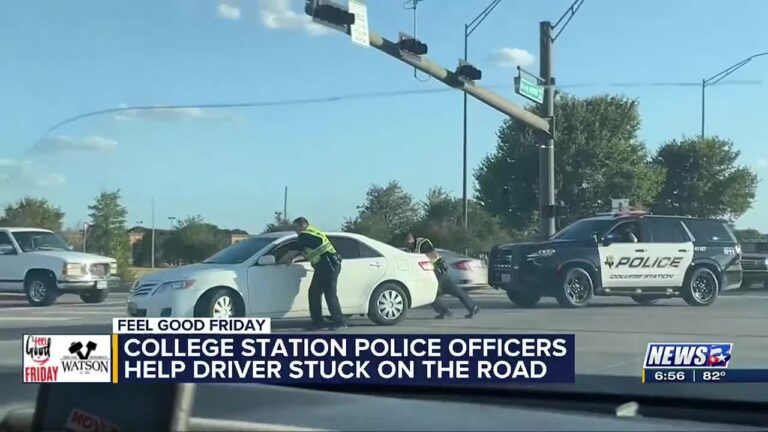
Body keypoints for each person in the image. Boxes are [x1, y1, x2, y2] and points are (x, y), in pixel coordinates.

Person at [280, 217, 346, 331]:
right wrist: (294, 258)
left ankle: (338, 322)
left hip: (327, 265)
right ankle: (320, 322)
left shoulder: (304, 234)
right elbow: (308, 251)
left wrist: (281, 261)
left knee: (326, 294)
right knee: (316, 293)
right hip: (327, 265)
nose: (295, 230)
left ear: (302, 225)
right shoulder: (312, 232)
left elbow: (294, 250)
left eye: (296, 227)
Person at [404, 233, 480, 319]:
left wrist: (421, 260)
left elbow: (433, 254)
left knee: (456, 291)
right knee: (429, 295)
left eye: (409, 239)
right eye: (406, 240)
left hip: (438, 271)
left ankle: (472, 308)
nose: (407, 241)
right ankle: (444, 311)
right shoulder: (409, 250)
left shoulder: (422, 243)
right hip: (428, 275)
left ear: (413, 238)